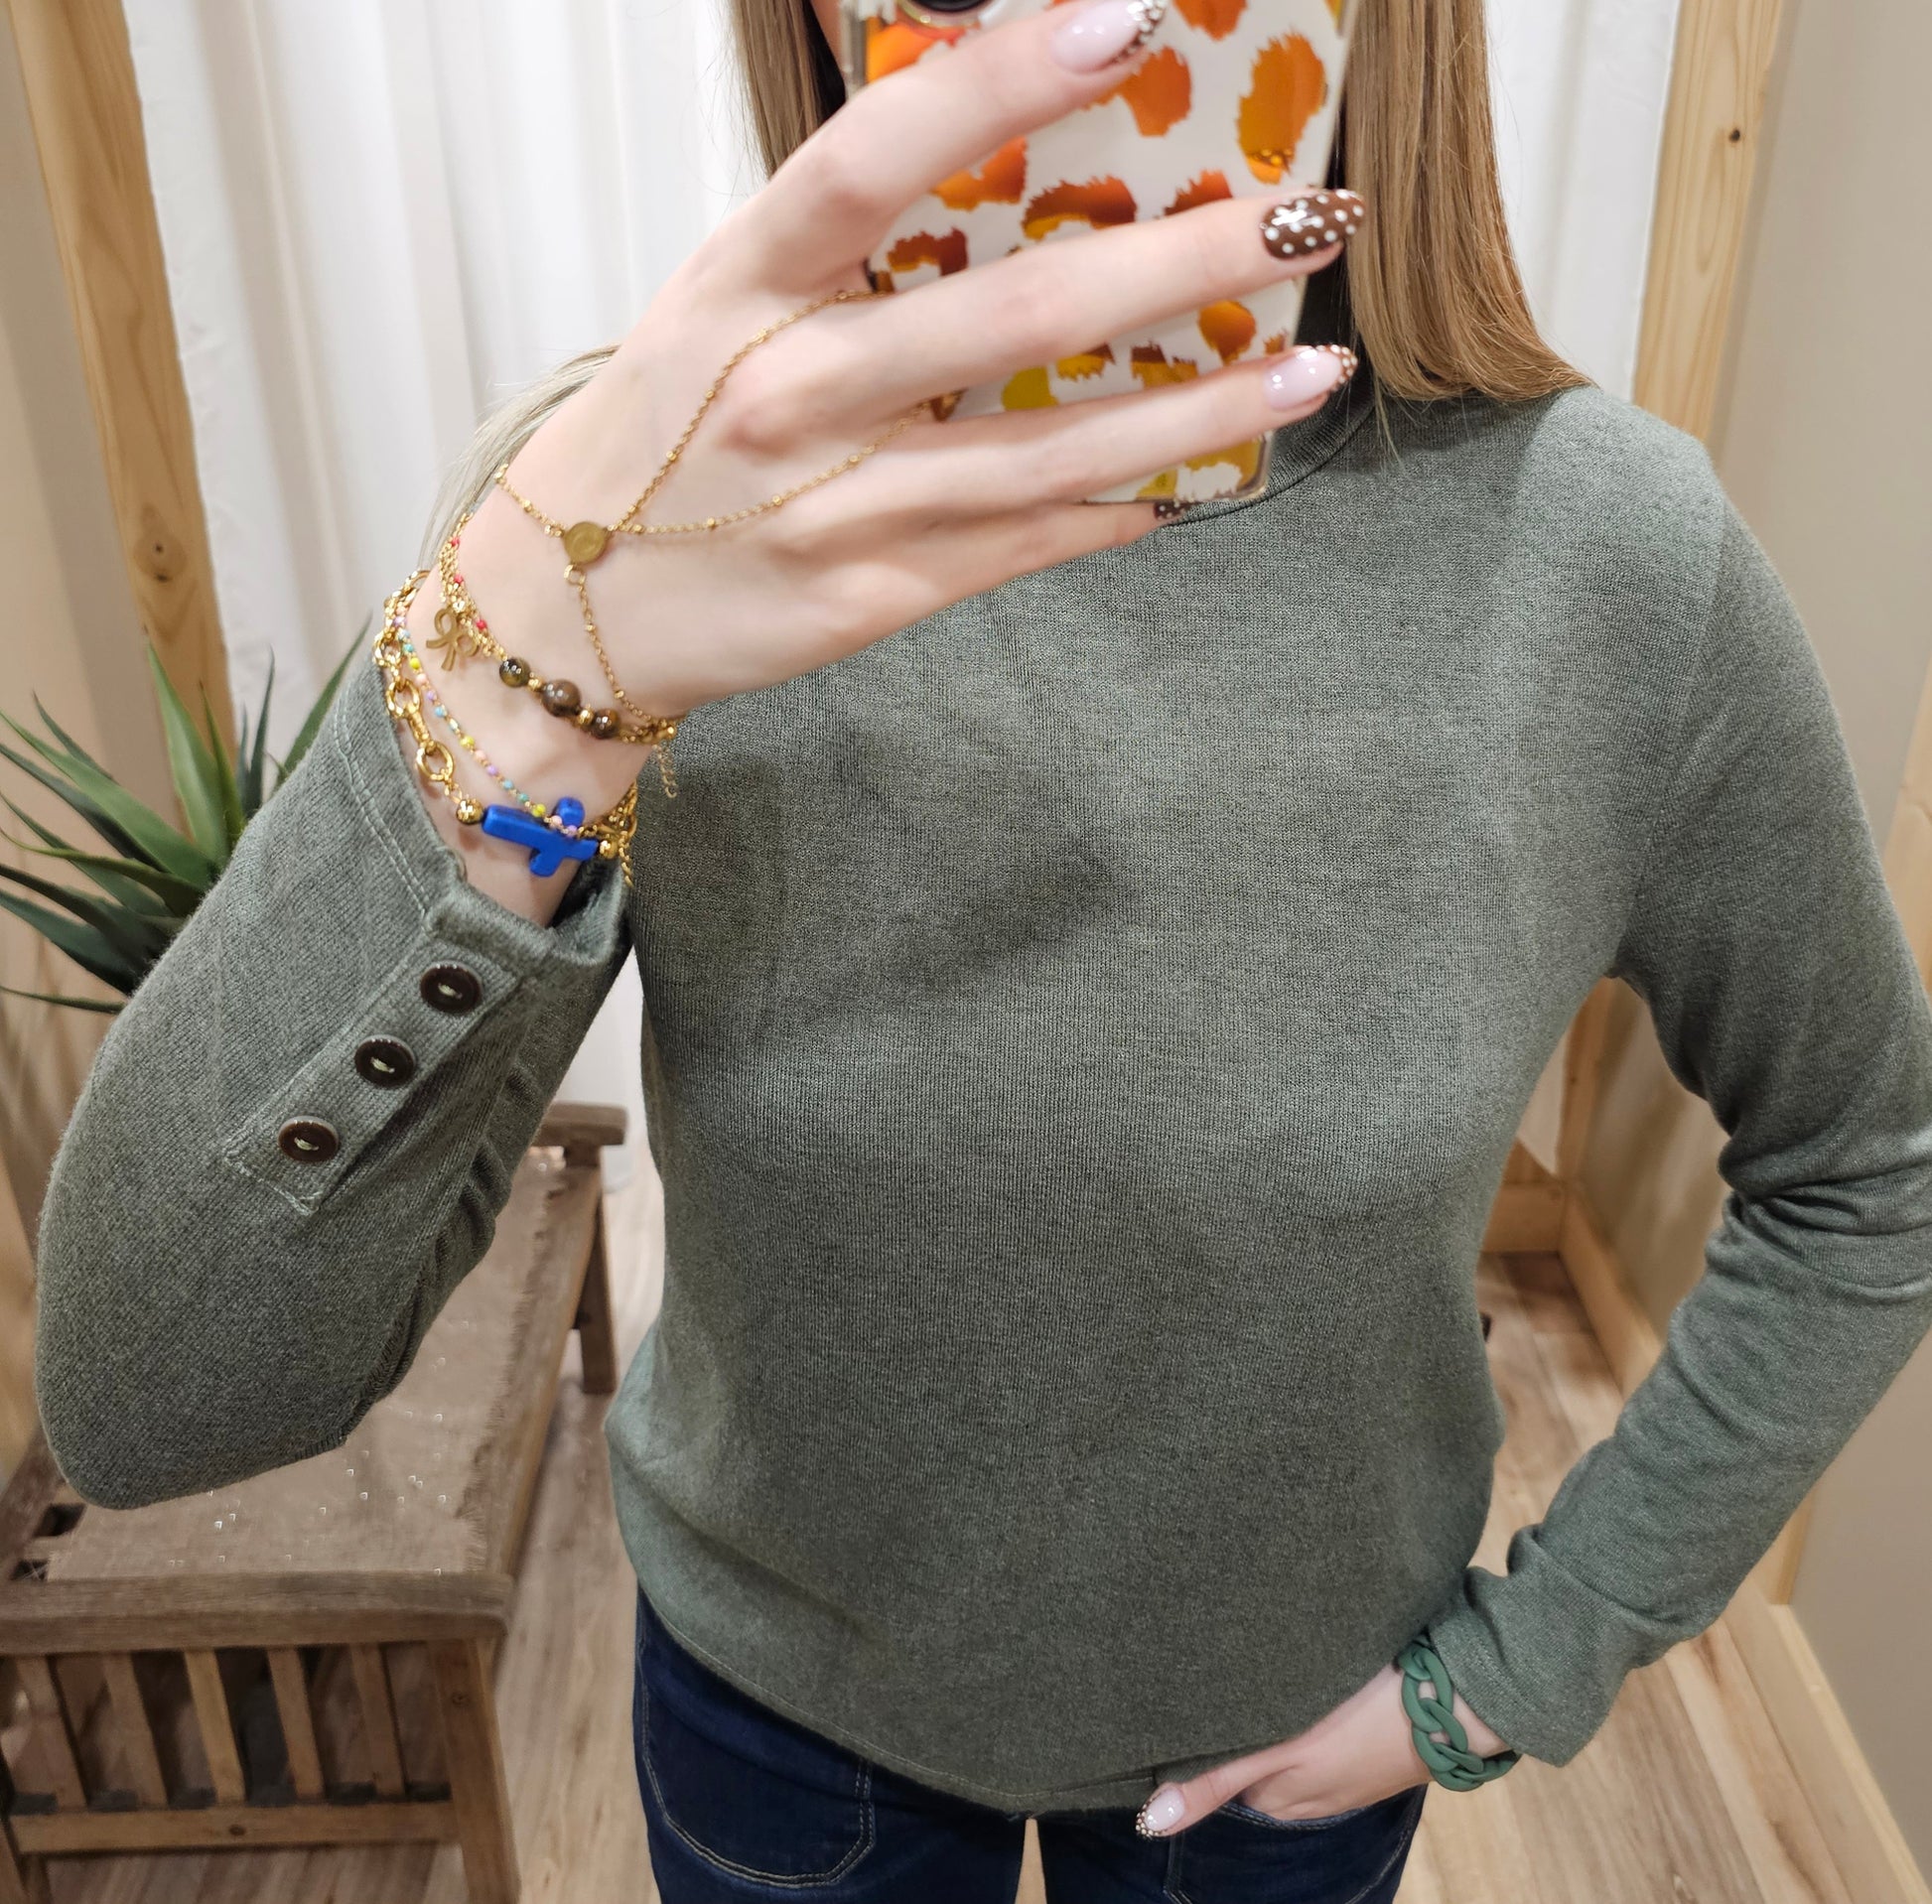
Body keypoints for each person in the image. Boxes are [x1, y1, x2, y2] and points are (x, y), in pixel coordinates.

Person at [31, 0, 1932, 1899]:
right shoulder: (644, 518)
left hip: (1278, 1747)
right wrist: (520, 666)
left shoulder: (1604, 559)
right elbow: (150, 1396)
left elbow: (1868, 1171)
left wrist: (1526, 1662)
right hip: (778, 1716)